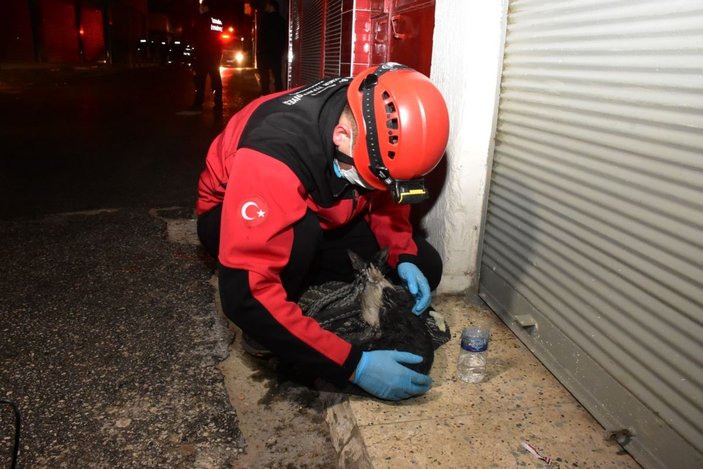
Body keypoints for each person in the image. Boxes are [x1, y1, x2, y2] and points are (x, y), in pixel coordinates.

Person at [195, 62, 450, 401]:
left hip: (329, 209)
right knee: (300, 240)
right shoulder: (273, 154)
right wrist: (353, 366)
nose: (381, 187)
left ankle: (302, 293)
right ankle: (269, 329)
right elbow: (243, 295)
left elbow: (388, 201)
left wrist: (402, 252)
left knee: (426, 264)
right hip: (231, 215)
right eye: (376, 177)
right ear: (342, 136)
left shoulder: (375, 112)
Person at [191, 0, 223, 110]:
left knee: (200, 79)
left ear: (205, 7)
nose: (199, 8)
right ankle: (218, 102)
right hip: (215, 54)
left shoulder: (203, 19)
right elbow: (219, 38)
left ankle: (198, 102)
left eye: (201, 6)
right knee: (216, 79)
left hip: (203, 54)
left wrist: (195, 54)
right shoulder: (218, 20)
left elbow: (199, 38)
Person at [256, 0, 286, 94]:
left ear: (271, 6)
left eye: (267, 5)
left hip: (264, 53)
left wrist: (259, 50)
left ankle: (265, 97)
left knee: (264, 78)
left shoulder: (265, 19)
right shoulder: (281, 20)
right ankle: (279, 97)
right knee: (277, 76)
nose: (266, 7)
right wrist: (280, 50)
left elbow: (261, 36)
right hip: (276, 53)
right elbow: (284, 37)